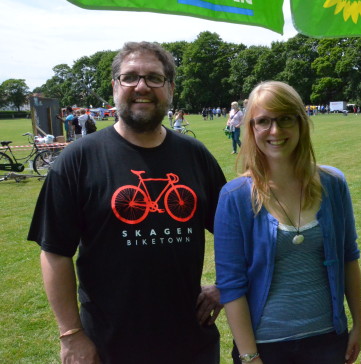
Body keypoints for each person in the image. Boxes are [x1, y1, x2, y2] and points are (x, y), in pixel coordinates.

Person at [28, 41, 227, 364]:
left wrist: (225, 285)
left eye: (154, 78)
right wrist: (71, 335)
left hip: (192, 342)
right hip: (109, 346)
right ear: (115, 86)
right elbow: (54, 252)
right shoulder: (78, 159)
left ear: (170, 88)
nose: (142, 87)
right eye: (130, 77)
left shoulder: (195, 155)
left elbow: (235, 230)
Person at [215, 81, 361, 364]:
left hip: (328, 342)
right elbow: (231, 284)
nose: (275, 130)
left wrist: (358, 324)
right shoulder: (234, 197)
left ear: (301, 122)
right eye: (263, 121)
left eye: (285, 118)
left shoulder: (333, 184)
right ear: (250, 128)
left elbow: (349, 257)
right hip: (265, 346)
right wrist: (249, 356)